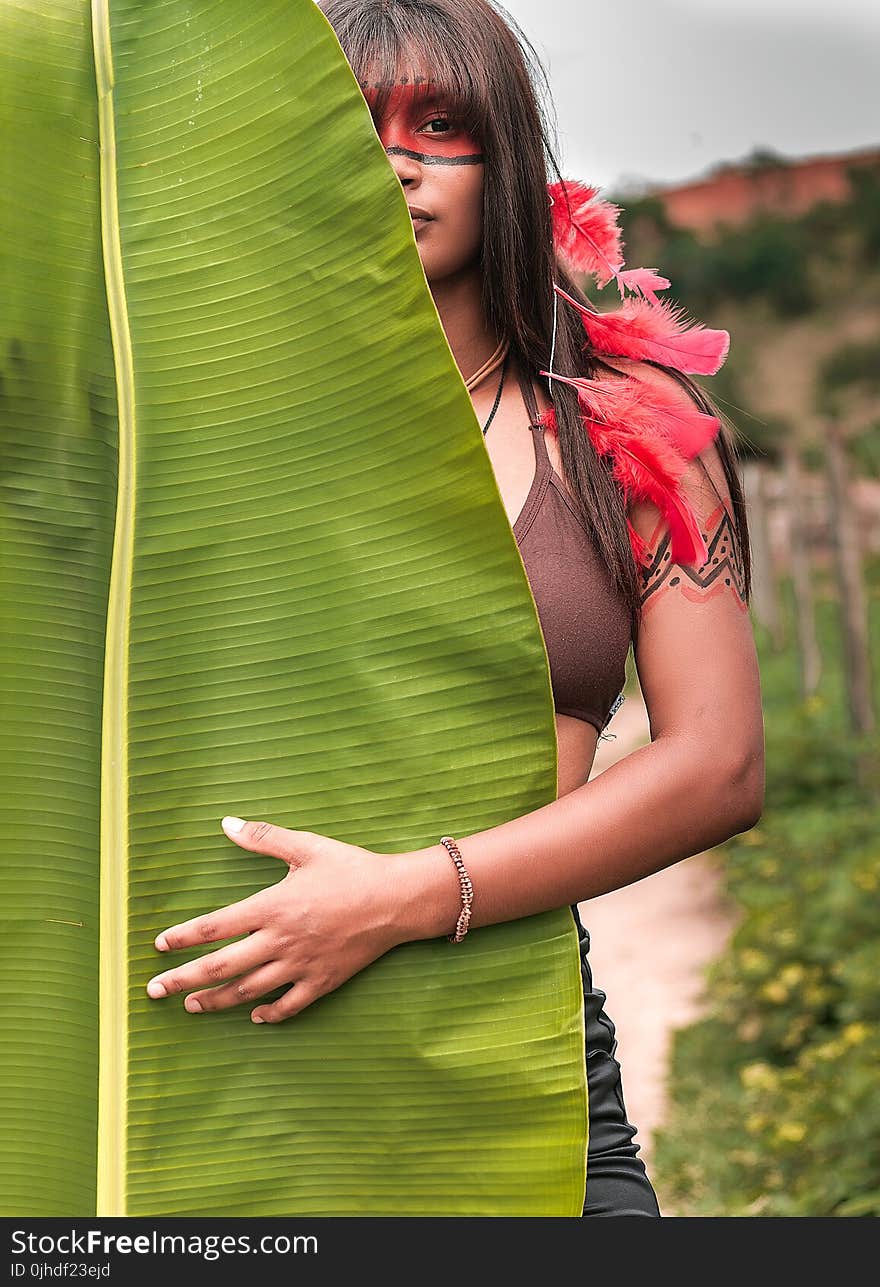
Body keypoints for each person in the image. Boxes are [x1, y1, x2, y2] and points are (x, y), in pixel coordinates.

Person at [144, 0, 765, 1217]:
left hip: (510, 1046)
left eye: (443, 124)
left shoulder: (620, 429)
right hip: (214, 1048)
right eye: (354, 125)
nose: (399, 162)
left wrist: (398, 896)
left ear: (510, 158)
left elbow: (717, 765)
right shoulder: (185, 419)